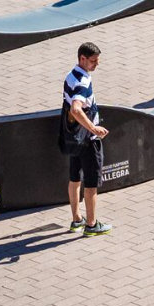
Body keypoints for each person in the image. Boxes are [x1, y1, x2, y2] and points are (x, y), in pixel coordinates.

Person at [61, 41, 111, 236]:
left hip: (74, 138)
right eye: (93, 61)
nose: (96, 65)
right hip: (88, 140)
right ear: (82, 58)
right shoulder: (83, 81)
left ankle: (76, 219)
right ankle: (91, 225)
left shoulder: (70, 76)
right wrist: (94, 128)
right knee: (91, 184)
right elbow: (75, 108)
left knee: (74, 178)